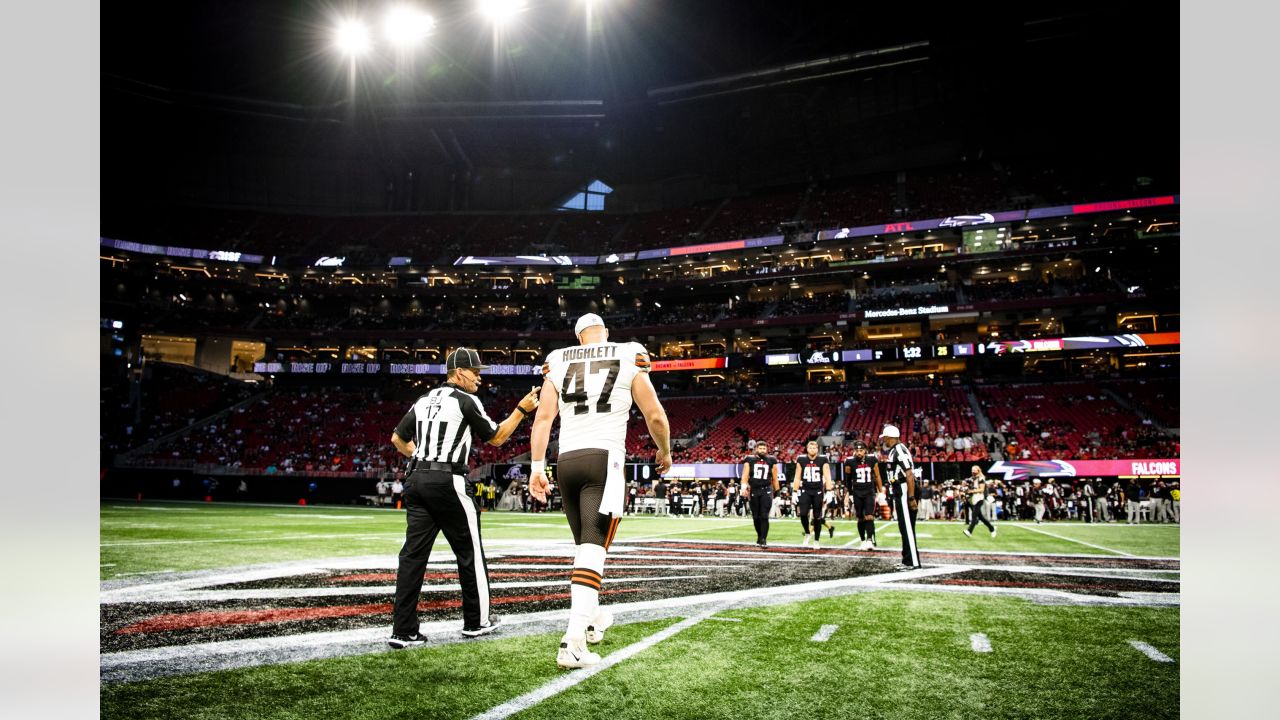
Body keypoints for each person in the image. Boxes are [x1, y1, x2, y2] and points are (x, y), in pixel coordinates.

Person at [528, 313, 672, 669]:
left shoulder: (558, 359)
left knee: (586, 547)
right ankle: (573, 641)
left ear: (578, 338)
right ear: (605, 333)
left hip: (567, 462)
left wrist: (535, 468)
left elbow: (543, 418)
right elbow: (653, 414)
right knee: (593, 549)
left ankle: (593, 617)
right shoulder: (627, 352)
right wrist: (665, 450)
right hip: (604, 459)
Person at [387, 347, 540, 649]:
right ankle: (477, 621)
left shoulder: (423, 399)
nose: (479, 378)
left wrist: (420, 456)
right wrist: (521, 410)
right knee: (470, 552)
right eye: (475, 372)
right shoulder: (466, 400)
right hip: (448, 480)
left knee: (412, 557)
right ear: (459, 373)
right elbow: (497, 437)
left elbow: (396, 439)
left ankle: (403, 630)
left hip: (416, 478)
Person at [879, 425, 921, 569]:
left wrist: (911, 497)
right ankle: (907, 560)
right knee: (904, 527)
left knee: (907, 527)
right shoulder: (894, 451)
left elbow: (909, 473)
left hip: (904, 489)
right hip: (899, 490)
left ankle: (912, 562)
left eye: (884, 437)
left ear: (889, 437)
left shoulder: (899, 450)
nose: (883, 439)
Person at [792, 440, 832, 549]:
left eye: (814, 448)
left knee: (817, 517)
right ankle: (807, 533)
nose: (812, 450)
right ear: (807, 449)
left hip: (818, 491)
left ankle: (816, 540)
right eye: (810, 448)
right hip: (805, 490)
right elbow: (797, 476)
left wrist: (829, 491)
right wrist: (794, 492)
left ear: (817, 449)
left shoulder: (823, 459)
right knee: (803, 514)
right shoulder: (801, 459)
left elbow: (828, 476)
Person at [741, 441, 781, 547]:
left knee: (764, 516)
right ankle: (759, 536)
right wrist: (743, 487)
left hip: (766, 490)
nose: (762, 450)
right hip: (754, 490)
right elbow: (745, 475)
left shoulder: (771, 460)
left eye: (764, 448)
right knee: (755, 517)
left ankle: (763, 539)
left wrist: (778, 493)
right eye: (760, 448)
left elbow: (775, 477)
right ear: (756, 449)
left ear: (767, 449)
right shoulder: (749, 459)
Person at [842, 440, 880, 550]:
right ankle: (863, 540)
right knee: (860, 518)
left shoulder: (872, 459)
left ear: (865, 451)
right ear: (854, 451)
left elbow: (877, 476)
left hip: (869, 491)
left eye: (861, 450)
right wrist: (848, 492)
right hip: (857, 492)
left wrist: (880, 490)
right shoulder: (849, 462)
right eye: (857, 450)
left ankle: (869, 540)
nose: (859, 453)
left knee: (869, 516)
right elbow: (848, 479)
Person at [963, 465, 996, 538]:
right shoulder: (973, 478)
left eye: (974, 470)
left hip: (979, 498)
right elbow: (969, 485)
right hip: (974, 498)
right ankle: (992, 528)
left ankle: (969, 531)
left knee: (974, 516)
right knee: (981, 517)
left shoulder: (981, 478)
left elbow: (981, 490)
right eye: (972, 470)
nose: (973, 471)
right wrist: (967, 488)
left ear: (978, 470)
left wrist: (971, 491)